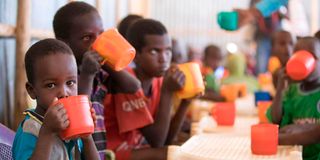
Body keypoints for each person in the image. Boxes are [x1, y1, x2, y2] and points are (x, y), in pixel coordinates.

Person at [53, 2, 141, 159]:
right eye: (87, 38)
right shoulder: (63, 78)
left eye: (100, 35)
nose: (96, 44)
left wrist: (107, 60)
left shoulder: (100, 73)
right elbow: (78, 117)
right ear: (64, 43)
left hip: (97, 153)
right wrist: (87, 75)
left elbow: (133, 86)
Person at [104, 19, 192, 160]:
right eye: (154, 51)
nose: (164, 59)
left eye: (168, 51)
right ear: (136, 55)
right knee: (171, 154)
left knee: (182, 148)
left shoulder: (158, 81)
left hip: (136, 148)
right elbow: (157, 141)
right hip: (109, 153)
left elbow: (167, 138)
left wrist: (186, 102)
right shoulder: (126, 83)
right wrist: (167, 92)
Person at [12, 39, 99, 160]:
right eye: (51, 85)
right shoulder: (31, 128)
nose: (64, 93)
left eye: (70, 83)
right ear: (32, 90)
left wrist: (87, 137)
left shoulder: (73, 122)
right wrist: (47, 132)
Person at [267, 37, 320, 160]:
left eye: (312, 56)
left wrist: (273, 139)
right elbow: (276, 119)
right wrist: (280, 89)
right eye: (298, 55)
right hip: (293, 155)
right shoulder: (292, 90)